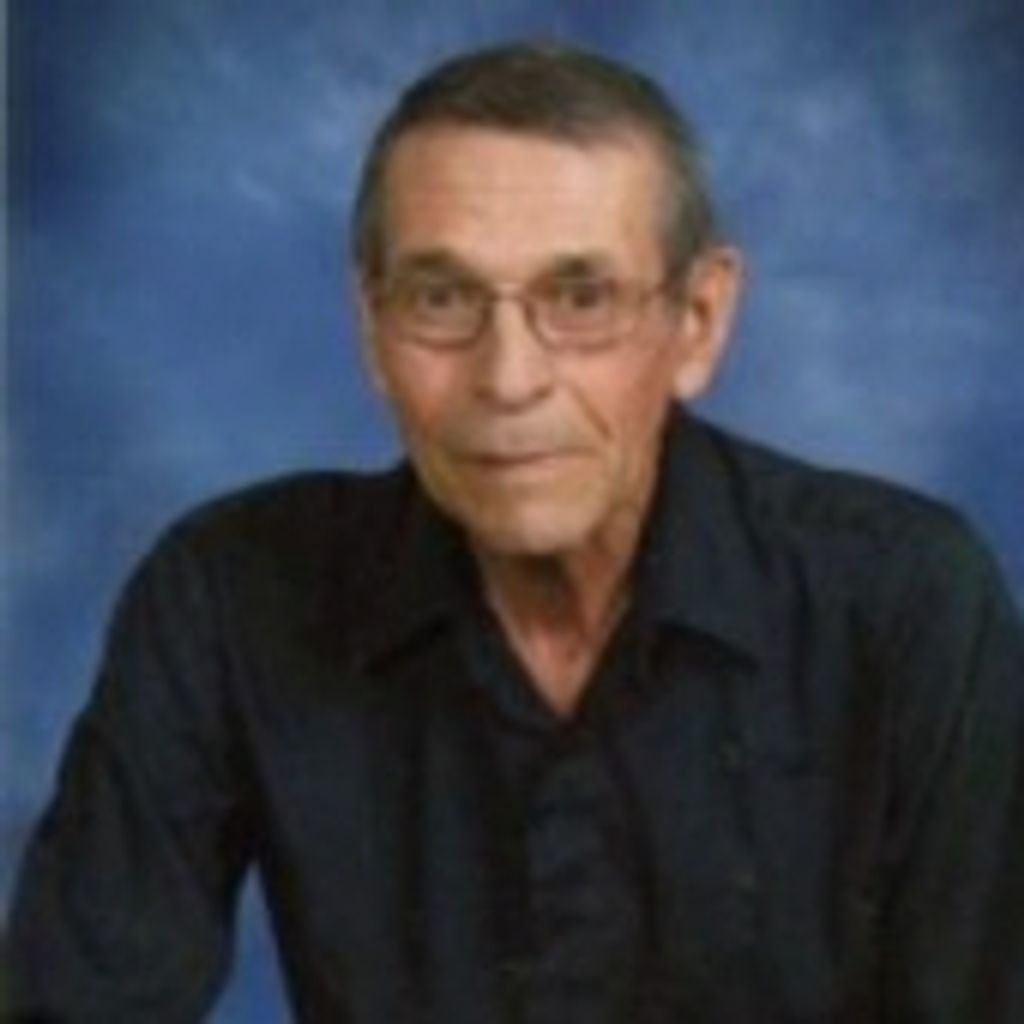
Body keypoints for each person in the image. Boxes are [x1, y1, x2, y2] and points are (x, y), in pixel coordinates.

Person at [6, 41, 1022, 1024]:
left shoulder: (906, 602)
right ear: (372, 326)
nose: (507, 379)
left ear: (698, 321)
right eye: (441, 298)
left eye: (580, 298)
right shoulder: (227, 597)